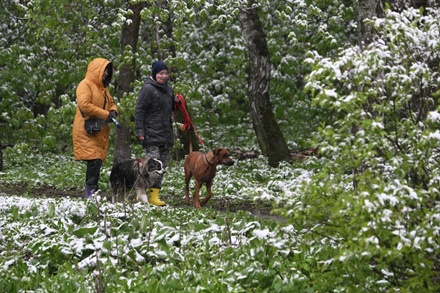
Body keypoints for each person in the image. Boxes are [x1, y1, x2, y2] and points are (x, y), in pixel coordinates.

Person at [134, 60, 180, 206]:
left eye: (166, 73)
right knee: (151, 166)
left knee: (162, 167)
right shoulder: (147, 89)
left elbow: (170, 108)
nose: (164, 76)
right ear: (155, 74)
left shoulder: (169, 90)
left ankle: (154, 196)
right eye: (161, 73)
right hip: (151, 134)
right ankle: (140, 192)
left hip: (165, 135)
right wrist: (140, 130)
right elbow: (139, 111)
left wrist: (176, 102)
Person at [72, 58, 118, 198]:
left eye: (108, 72)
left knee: (96, 161)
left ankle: (93, 191)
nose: (106, 74)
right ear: (97, 70)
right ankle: (90, 192)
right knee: (94, 160)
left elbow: (111, 103)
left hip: (98, 130)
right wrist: (106, 115)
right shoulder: (85, 85)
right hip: (86, 130)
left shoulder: (103, 89)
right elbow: (84, 104)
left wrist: (113, 112)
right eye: (104, 71)